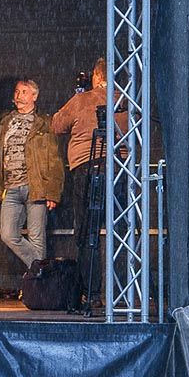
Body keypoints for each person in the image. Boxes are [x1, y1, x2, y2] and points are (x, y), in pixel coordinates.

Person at [0, 79, 64, 270]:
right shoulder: (5, 121)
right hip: (10, 187)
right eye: (17, 91)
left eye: (24, 92)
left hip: (36, 187)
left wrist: (53, 192)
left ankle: (37, 287)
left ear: (34, 96)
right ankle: (43, 270)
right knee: (8, 234)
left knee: (37, 238)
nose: (19, 96)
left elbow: (55, 161)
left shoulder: (45, 123)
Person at [51, 58, 126, 300]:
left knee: (87, 232)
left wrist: (82, 94)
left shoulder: (82, 100)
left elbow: (56, 125)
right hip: (120, 169)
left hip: (88, 167)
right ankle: (123, 290)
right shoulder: (125, 100)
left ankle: (91, 291)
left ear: (96, 76)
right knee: (121, 230)